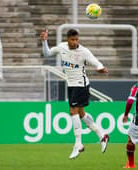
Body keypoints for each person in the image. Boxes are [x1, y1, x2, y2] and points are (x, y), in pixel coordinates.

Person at [40, 29, 109, 159]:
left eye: (77, 39)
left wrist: (101, 68)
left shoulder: (83, 51)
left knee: (73, 112)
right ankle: (102, 135)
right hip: (71, 84)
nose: (75, 42)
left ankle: (78, 144)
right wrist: (44, 41)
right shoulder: (62, 47)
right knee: (81, 115)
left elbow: (96, 62)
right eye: (72, 39)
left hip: (81, 84)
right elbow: (47, 53)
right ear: (68, 39)